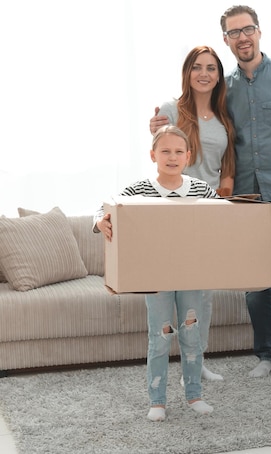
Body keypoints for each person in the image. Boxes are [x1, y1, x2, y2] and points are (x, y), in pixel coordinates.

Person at [150, 5, 271, 378]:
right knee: (256, 282)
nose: (242, 37)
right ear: (226, 40)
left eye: (248, 29)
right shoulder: (225, 89)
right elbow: (198, 119)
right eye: (234, 33)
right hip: (246, 200)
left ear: (259, 32)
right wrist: (160, 123)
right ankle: (269, 355)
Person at [94, 125, 218, 421]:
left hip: (192, 276)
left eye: (178, 152)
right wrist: (100, 222)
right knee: (159, 338)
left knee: (192, 336)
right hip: (155, 279)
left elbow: (227, 216)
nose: (172, 157)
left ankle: (194, 395)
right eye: (165, 151)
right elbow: (102, 209)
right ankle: (157, 401)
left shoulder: (201, 190)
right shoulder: (139, 190)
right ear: (153, 155)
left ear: (188, 156)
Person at [155, 45, 237, 383]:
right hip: (175, 212)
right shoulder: (170, 110)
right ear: (188, 72)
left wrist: (226, 195)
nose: (205, 74)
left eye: (212, 68)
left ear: (219, 76)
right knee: (173, 291)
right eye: (197, 67)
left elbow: (227, 167)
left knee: (203, 295)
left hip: (210, 214)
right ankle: (163, 358)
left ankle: (196, 360)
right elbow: (161, 152)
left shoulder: (224, 118)